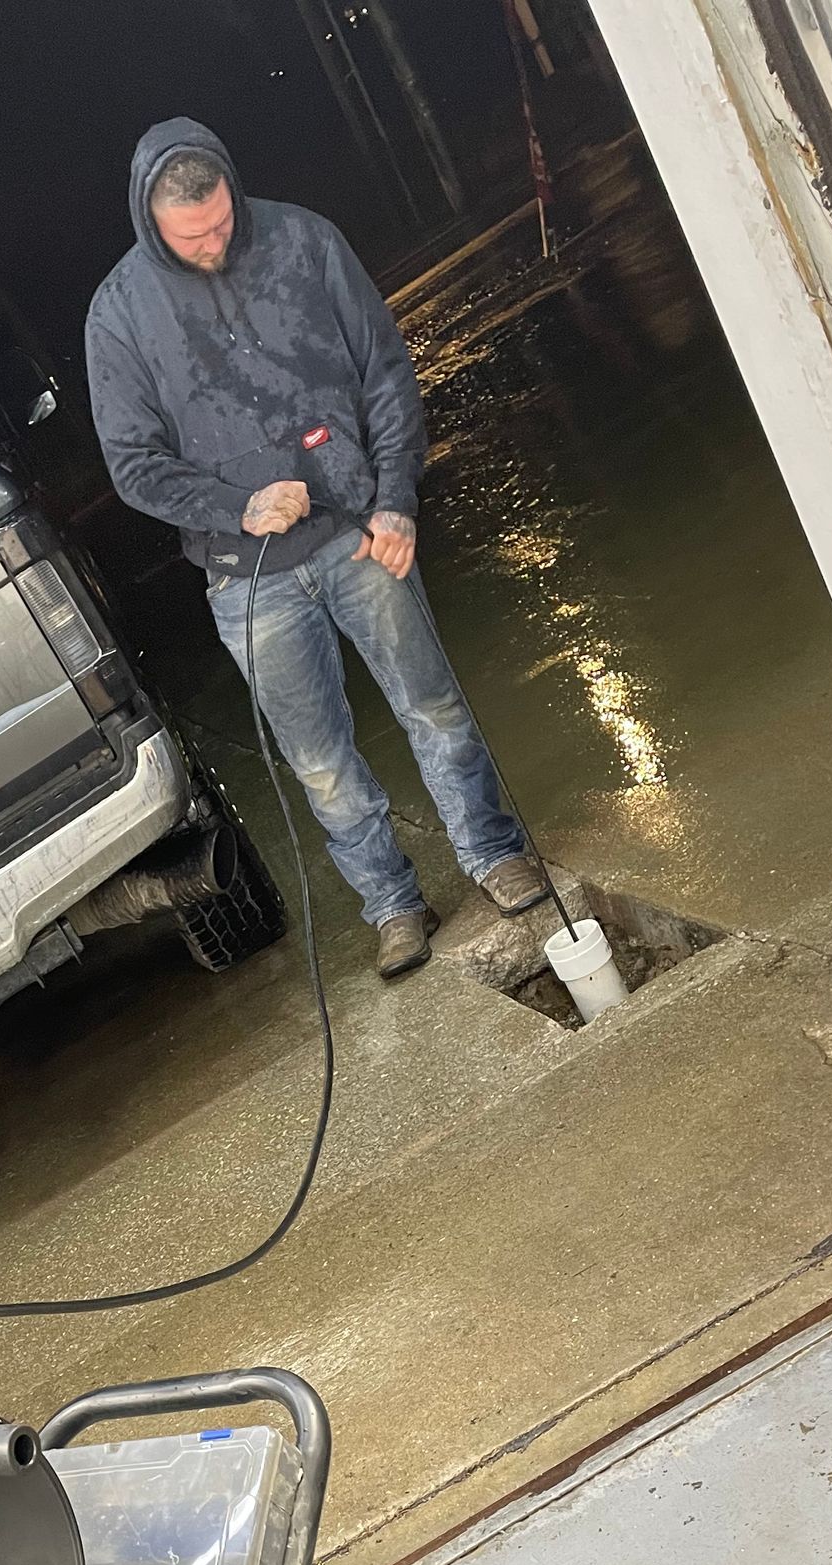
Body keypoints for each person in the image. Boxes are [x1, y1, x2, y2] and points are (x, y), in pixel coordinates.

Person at [86, 118, 545, 980]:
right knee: (320, 761)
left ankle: (493, 852)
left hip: (357, 532)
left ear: (232, 191)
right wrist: (239, 506)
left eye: (221, 224)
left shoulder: (305, 241)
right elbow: (135, 466)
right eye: (191, 237)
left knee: (433, 706)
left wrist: (395, 500)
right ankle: (393, 905)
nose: (212, 246)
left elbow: (385, 374)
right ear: (152, 222)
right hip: (246, 576)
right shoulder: (118, 314)